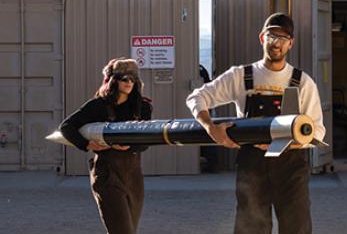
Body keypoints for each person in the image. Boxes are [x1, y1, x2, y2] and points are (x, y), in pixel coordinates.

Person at [186, 13, 325, 234]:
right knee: (250, 228)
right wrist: (211, 127)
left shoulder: (302, 83)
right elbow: (196, 98)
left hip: (291, 167)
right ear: (262, 38)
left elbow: (317, 130)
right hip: (253, 166)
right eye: (271, 36)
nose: (276, 43)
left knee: (296, 228)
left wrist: (288, 143)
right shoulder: (242, 76)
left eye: (283, 37)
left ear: (291, 43)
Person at [59, 58, 152, 234]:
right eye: (125, 78)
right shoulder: (98, 106)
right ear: (113, 80)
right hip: (107, 176)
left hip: (133, 176)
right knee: (122, 231)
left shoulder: (143, 107)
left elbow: (146, 140)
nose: (129, 83)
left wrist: (130, 147)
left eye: (133, 79)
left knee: (131, 229)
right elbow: (66, 127)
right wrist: (87, 144)